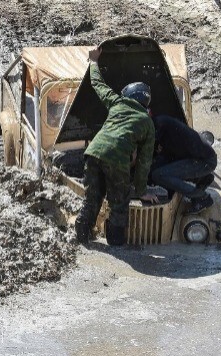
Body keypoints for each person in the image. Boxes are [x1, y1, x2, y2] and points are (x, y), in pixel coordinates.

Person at [74, 48, 156, 246]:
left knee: (92, 198)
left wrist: (94, 62)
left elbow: (98, 84)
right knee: (119, 205)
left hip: (93, 153)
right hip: (118, 160)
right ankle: (117, 247)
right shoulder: (147, 122)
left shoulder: (117, 102)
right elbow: (145, 161)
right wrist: (142, 190)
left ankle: (81, 238)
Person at [143, 114, 217, 214]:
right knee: (157, 170)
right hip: (194, 157)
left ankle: (201, 198)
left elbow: (144, 153)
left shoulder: (160, 124)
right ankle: (201, 178)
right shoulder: (161, 124)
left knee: (159, 175)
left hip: (204, 161)